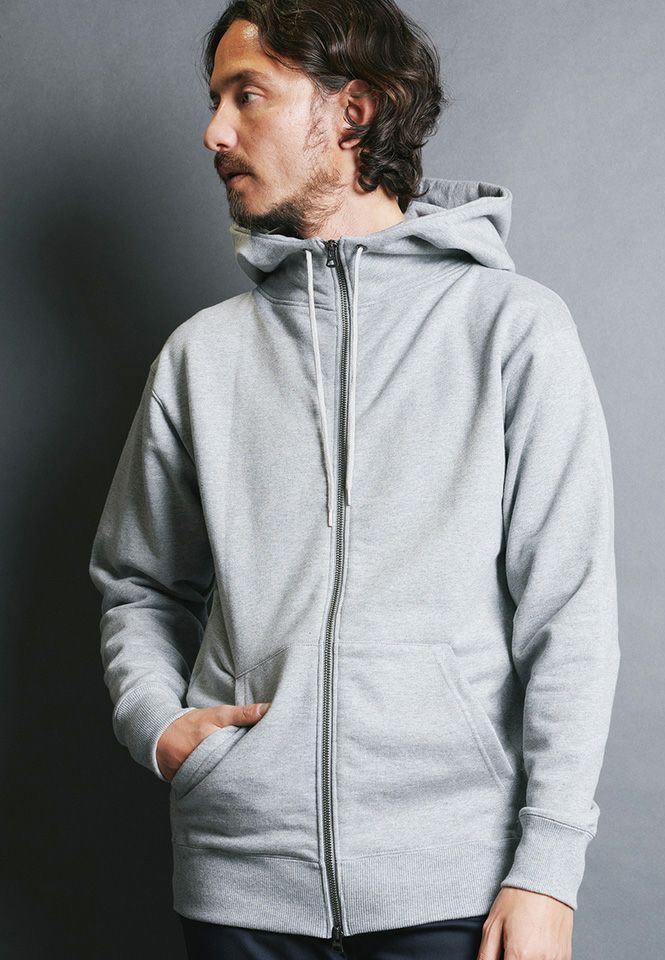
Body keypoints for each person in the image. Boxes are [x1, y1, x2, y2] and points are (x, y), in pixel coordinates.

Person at [88, 1, 620, 958]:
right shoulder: (202, 357)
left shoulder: (512, 329)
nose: (214, 133)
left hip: (456, 883)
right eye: (214, 101)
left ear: (354, 111)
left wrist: (548, 867)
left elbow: (569, 614)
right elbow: (139, 582)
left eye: (247, 95)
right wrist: (158, 725)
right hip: (238, 882)